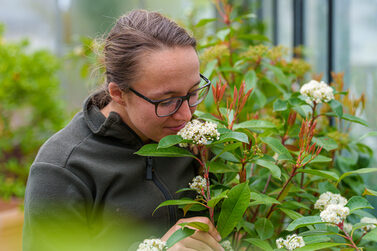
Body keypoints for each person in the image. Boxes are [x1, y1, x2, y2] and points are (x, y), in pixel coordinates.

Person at [23, 9, 224, 251]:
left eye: (192, 93)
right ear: (118, 93)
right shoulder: (64, 168)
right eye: (166, 101)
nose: (187, 115)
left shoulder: (195, 140)